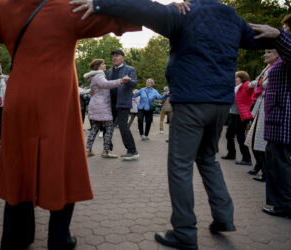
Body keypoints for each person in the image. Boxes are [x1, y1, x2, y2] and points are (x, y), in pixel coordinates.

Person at [71, 0, 275, 249]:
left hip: (191, 100)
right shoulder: (232, 17)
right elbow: (262, 38)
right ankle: (223, 217)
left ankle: (185, 231)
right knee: (208, 158)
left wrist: (100, 3)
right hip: (220, 103)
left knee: (180, 164)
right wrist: (279, 33)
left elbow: (141, 8)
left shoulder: (185, 11)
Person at [0, 1, 140, 249]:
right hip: (57, 100)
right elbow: (122, 18)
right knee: (61, 161)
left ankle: (17, 236)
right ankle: (59, 237)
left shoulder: (6, 8)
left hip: (20, 97)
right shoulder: (69, 7)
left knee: (19, 163)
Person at [250, 16, 291, 218]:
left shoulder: (286, 51)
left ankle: (285, 205)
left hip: (284, 118)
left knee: (281, 162)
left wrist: (277, 34)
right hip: (277, 117)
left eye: (286, 29)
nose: (283, 31)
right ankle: (279, 202)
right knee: (276, 160)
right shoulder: (283, 56)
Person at [244, 49, 279, 182]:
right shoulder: (267, 68)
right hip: (260, 106)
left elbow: (264, 83)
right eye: (265, 52)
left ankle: (266, 172)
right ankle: (260, 167)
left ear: (278, 54)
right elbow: (259, 82)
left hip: (267, 107)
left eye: (269, 52)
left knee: (260, 142)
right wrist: (251, 84)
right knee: (252, 139)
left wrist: (256, 83)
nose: (265, 55)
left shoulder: (276, 68)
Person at [84, 59, 130, 158]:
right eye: (103, 64)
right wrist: (121, 81)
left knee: (95, 128)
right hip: (102, 106)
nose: (105, 65)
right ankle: (106, 151)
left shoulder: (93, 77)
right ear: (98, 67)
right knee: (109, 127)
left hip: (96, 105)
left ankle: (88, 149)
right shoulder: (99, 76)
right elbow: (106, 84)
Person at [107, 49, 139, 160]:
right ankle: (107, 149)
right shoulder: (109, 71)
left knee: (122, 126)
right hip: (110, 103)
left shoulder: (129, 69)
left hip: (123, 103)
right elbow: (106, 85)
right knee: (108, 126)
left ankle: (132, 151)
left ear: (123, 58)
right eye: (113, 56)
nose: (114, 58)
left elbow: (134, 83)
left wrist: (128, 80)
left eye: (117, 55)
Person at [221, 71, 253, 166]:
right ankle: (231, 154)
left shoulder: (246, 85)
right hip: (234, 115)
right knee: (229, 135)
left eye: (236, 77)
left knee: (240, 137)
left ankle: (247, 159)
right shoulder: (235, 88)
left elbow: (252, 87)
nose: (234, 79)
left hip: (241, 116)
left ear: (242, 78)